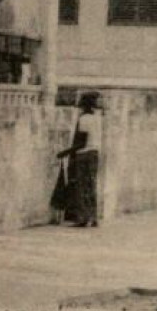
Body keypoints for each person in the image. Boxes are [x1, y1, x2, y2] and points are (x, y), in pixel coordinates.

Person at [56, 92, 103, 228]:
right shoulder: (97, 118)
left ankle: (82, 218)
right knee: (91, 185)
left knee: (81, 186)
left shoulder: (84, 119)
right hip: (94, 153)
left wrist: (65, 152)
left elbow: (81, 143)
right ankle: (93, 217)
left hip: (84, 154)